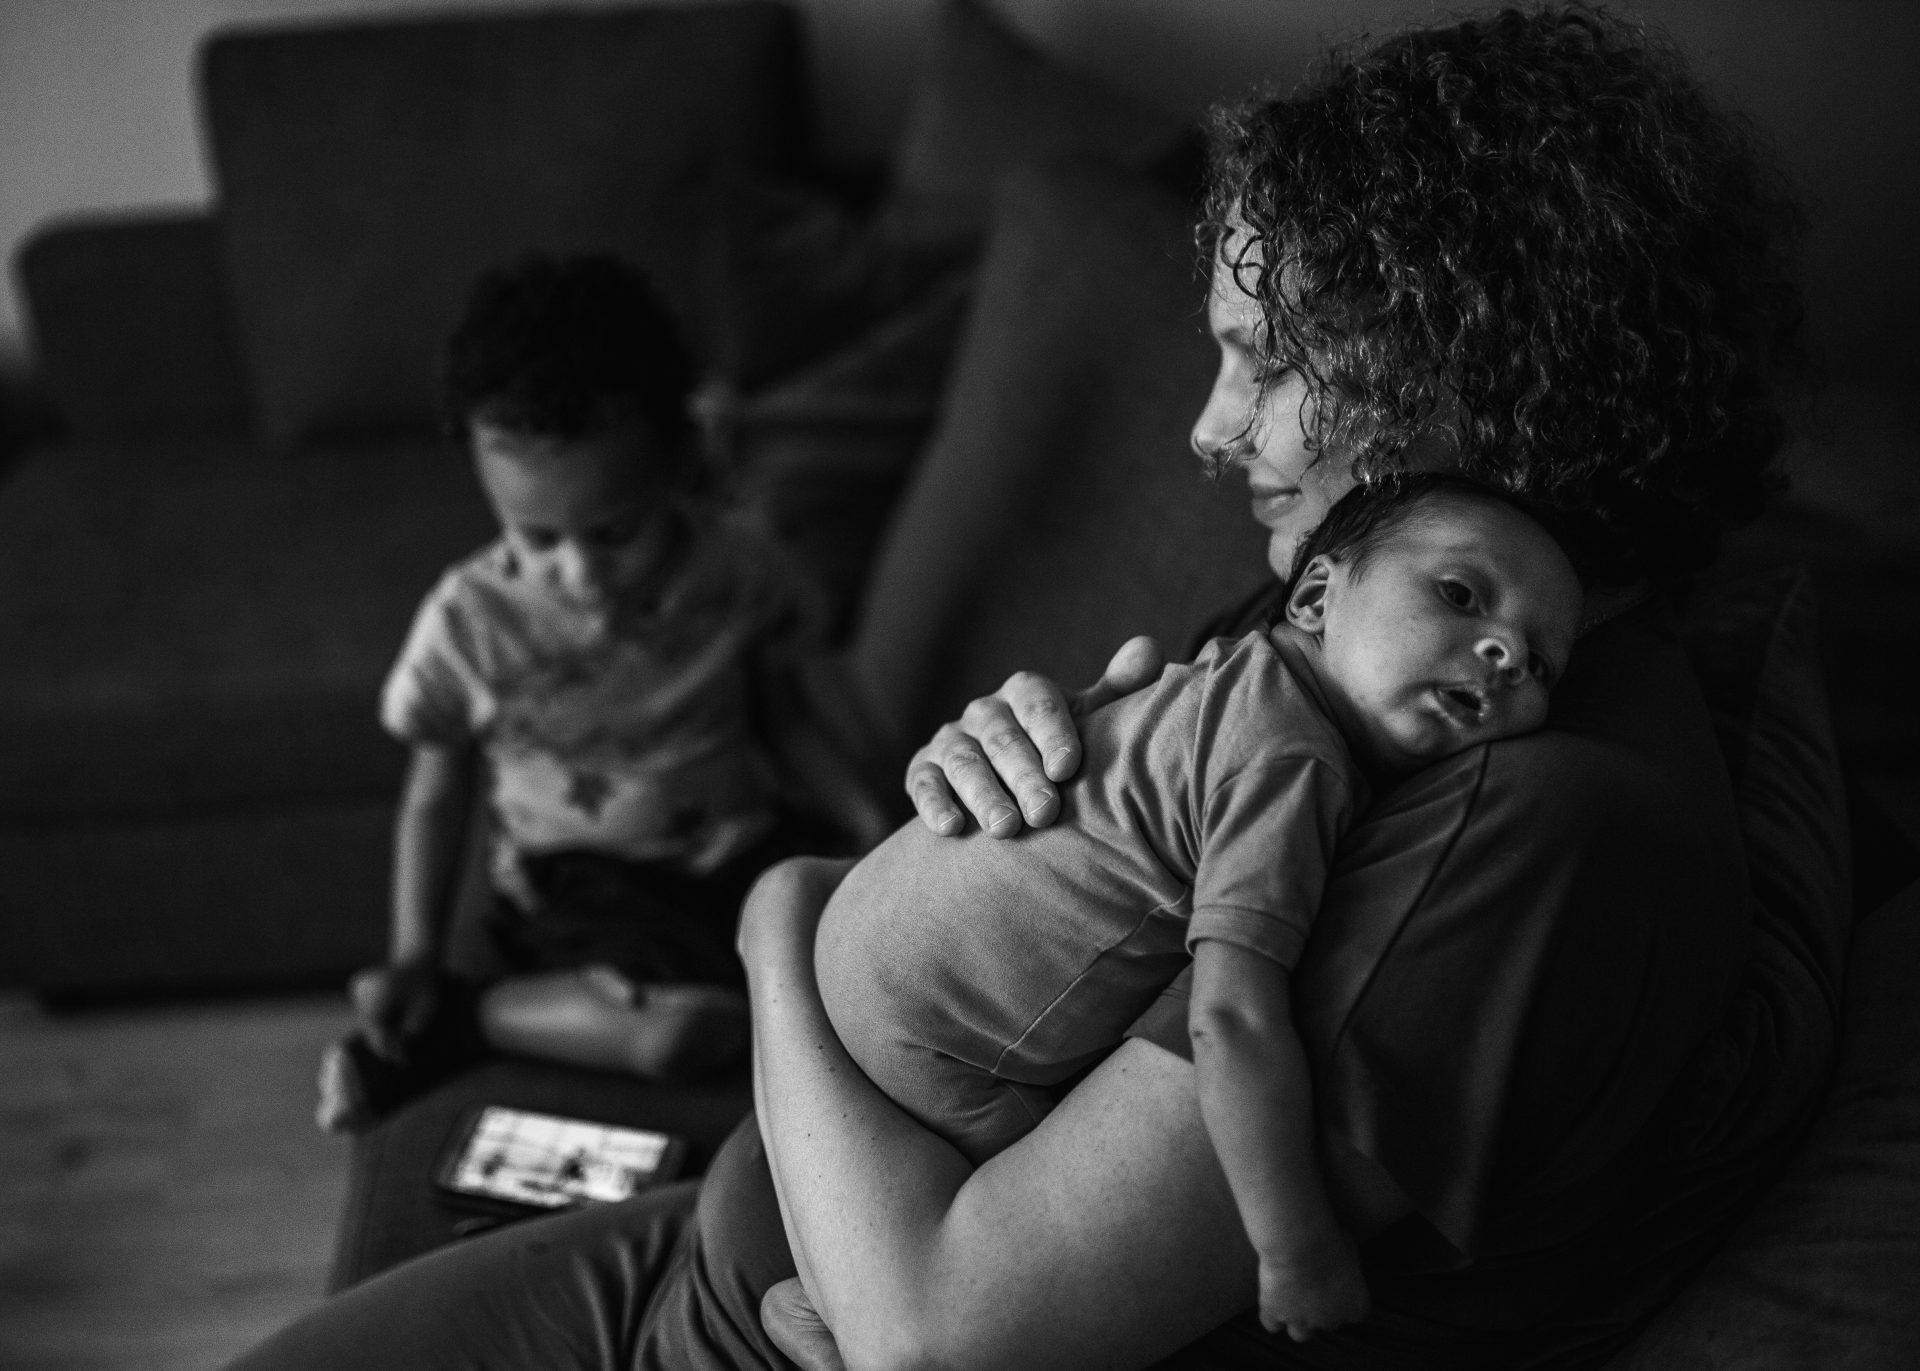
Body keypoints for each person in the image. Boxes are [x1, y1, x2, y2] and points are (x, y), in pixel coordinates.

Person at [230, 7, 1812, 1368]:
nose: (1211, 429)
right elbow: (1096, 909)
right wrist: (1000, 774)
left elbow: (940, 1333)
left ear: (1466, 377)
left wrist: (788, 921)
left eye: (1269, 363)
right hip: (720, 1239)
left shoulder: (1525, 825)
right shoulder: (1399, 613)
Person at [772, 476, 1582, 1350]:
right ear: (1315, 596)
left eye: (1540, 662)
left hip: (863, 929)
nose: (1503, 648)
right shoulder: (1293, 763)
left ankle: (811, 1294)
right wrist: (1295, 1244)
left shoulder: (1230, 672)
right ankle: (833, 1317)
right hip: (921, 1033)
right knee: (1058, 1290)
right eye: (1460, 596)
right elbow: (1232, 1019)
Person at [315, 254, 890, 1131]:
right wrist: (415, 955)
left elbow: (788, 718)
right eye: (536, 536)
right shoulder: (470, 623)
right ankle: (463, 1018)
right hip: (583, 887)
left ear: (675, 463)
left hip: (741, 848)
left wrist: (877, 832)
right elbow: (436, 795)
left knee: (859, 965)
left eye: (615, 532)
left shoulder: (739, 571)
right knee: (678, 1035)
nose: (578, 574)